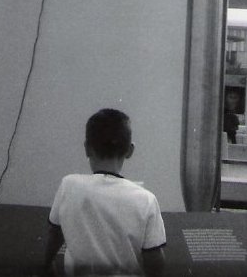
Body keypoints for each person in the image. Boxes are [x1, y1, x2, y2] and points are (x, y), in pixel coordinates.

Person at [44, 108, 166, 276]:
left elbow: (55, 233)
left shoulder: (69, 185)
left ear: (87, 148)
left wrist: (46, 264)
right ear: (130, 151)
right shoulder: (146, 199)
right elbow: (154, 258)